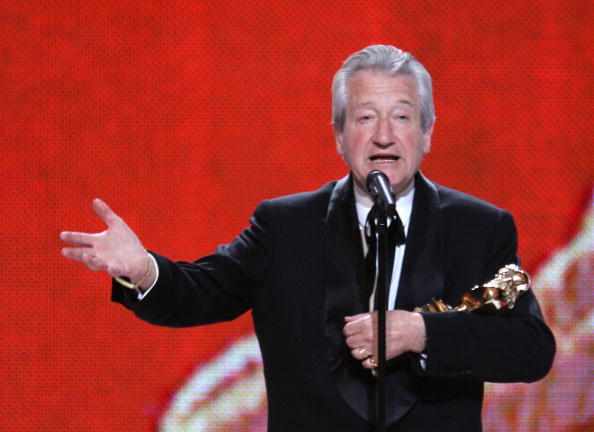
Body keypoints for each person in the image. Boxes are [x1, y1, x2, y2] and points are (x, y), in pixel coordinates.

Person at [60, 45, 555, 431]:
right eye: (365, 118)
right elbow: (200, 293)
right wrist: (143, 269)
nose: (384, 135)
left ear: (427, 133)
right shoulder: (285, 227)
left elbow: (529, 346)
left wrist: (422, 333)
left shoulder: (480, 229)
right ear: (340, 136)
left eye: (402, 117)